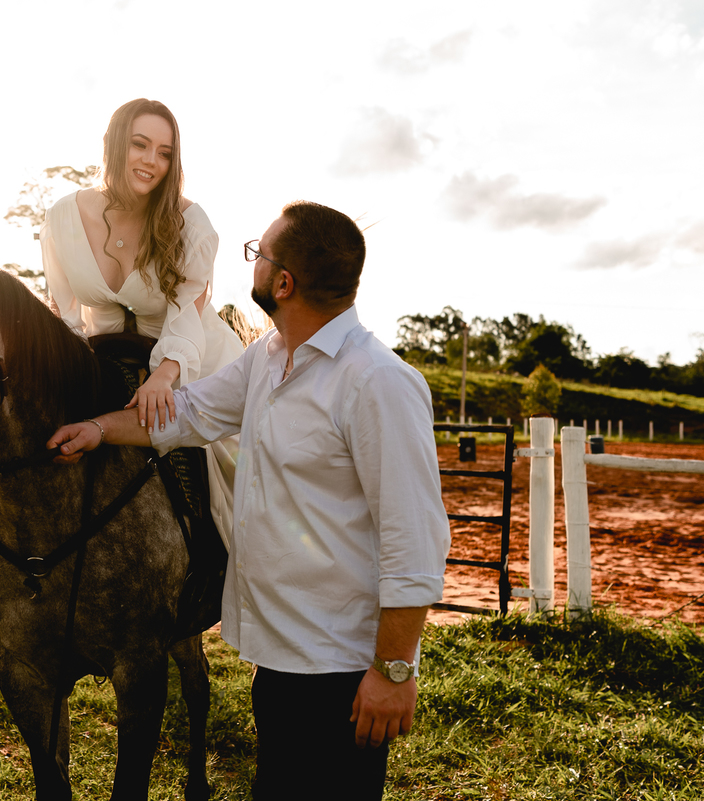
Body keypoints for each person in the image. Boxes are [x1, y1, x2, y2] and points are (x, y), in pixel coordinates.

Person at [47, 200, 451, 799]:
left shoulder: (377, 382)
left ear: (283, 282)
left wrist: (394, 673)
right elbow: (189, 413)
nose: (252, 264)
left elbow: (415, 541)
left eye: (258, 254)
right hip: (279, 659)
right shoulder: (268, 358)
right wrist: (101, 429)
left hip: (340, 672)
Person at [40, 98, 244, 546]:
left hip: (192, 358)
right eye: (140, 145)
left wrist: (163, 376)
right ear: (115, 145)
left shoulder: (190, 223)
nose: (152, 161)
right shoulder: (60, 220)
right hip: (103, 361)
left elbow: (188, 312)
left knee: (243, 474)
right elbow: (68, 319)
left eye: (165, 152)